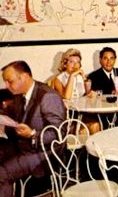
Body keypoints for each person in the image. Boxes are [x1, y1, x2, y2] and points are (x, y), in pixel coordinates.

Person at [0, 61, 66, 196]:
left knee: (1, 174)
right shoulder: (19, 94)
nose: (6, 85)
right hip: (23, 146)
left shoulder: (48, 96)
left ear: (23, 77)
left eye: (9, 81)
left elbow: (59, 134)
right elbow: (9, 115)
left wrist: (32, 134)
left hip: (44, 153)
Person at [53, 48, 100, 134]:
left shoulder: (81, 77)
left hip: (83, 113)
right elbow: (66, 97)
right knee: (83, 130)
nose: (75, 65)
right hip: (68, 116)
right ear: (65, 63)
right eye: (71, 62)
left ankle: (97, 147)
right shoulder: (58, 79)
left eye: (77, 62)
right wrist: (72, 76)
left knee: (95, 125)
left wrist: (91, 93)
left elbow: (87, 94)